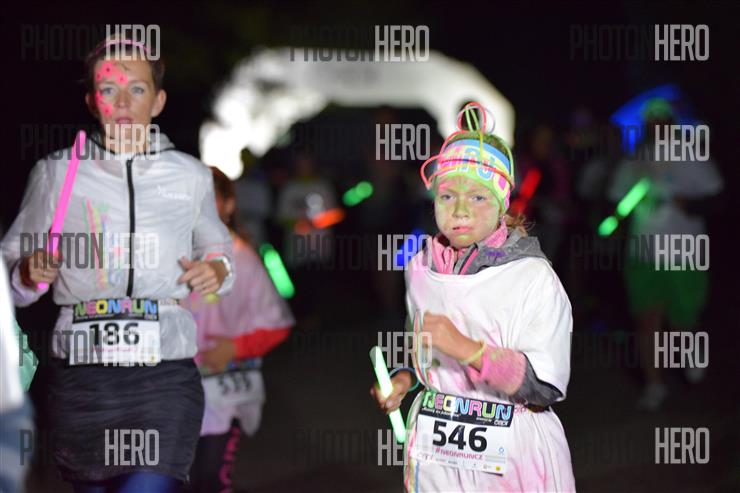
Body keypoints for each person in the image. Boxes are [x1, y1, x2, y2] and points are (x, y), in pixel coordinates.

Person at [1, 36, 234, 492]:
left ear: (158, 100)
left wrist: (217, 270)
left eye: (137, 89)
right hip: (82, 378)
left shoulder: (189, 175)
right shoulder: (56, 173)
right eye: (109, 89)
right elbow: (10, 271)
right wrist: (27, 273)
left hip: (164, 374)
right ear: (93, 101)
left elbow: (218, 250)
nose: (123, 102)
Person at [371, 103, 576, 492]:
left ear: (501, 204)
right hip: (437, 455)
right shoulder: (420, 267)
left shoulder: (533, 277)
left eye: (478, 197)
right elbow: (422, 349)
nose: (460, 211)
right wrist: (405, 378)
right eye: (447, 196)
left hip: (510, 457)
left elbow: (544, 387)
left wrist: (468, 349)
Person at [182, 167, 294, 493]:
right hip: (177, 392)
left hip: (222, 395)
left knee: (211, 480)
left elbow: (277, 323)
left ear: (229, 204)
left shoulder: (241, 258)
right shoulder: (172, 254)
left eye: (209, 199)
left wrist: (235, 348)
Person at [607, 98, 723, 411]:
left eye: (662, 121)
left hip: (685, 251)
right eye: (651, 122)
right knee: (647, 319)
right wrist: (613, 222)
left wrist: (690, 203)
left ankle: (690, 354)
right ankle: (654, 385)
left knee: (683, 319)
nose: (657, 127)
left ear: (671, 123)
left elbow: (717, 197)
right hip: (643, 252)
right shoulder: (635, 160)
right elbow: (615, 199)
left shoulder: (691, 154)